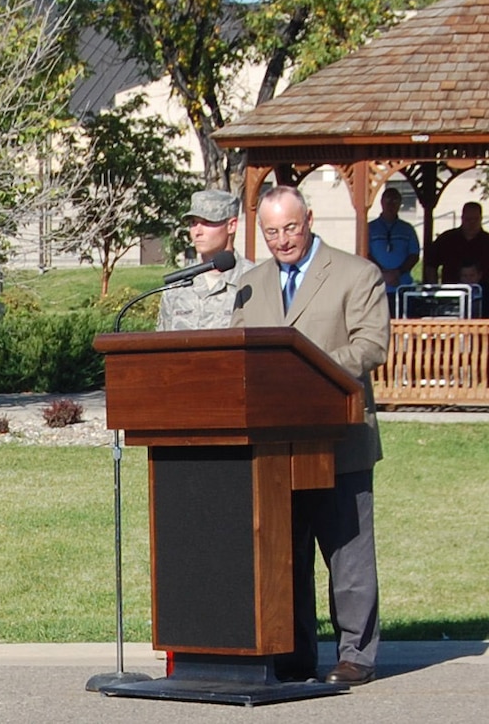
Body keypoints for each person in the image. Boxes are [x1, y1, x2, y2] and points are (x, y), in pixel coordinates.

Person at [231, 186, 389, 686]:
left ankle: (356, 656)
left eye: (291, 228)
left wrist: (310, 370)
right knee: (286, 556)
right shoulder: (251, 284)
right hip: (276, 449)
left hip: (339, 440)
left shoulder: (355, 274)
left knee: (348, 556)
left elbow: (371, 344)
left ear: (310, 220)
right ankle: (294, 654)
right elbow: (237, 351)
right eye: (272, 232)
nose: (282, 240)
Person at [157, 189, 255, 331]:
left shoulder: (253, 281)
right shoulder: (177, 287)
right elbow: (161, 345)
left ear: (231, 225)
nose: (197, 232)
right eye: (193, 223)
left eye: (207, 222)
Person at [365, 187, 419, 303]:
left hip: (403, 286)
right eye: (388, 201)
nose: (391, 205)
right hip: (376, 287)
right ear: (381, 202)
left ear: (400, 204)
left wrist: (397, 273)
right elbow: (365, 253)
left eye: (395, 201)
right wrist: (382, 274)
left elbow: (414, 254)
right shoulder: (370, 228)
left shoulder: (407, 229)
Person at [430, 201, 489, 285]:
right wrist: (434, 288)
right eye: (468, 219)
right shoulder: (446, 239)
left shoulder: (487, 240)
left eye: (475, 219)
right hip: (451, 293)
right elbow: (431, 265)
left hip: (485, 294)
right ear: (462, 218)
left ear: (481, 218)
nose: (472, 223)